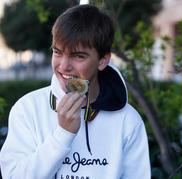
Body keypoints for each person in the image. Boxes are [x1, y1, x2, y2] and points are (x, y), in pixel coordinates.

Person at [0, 4, 151, 179]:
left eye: (78, 56)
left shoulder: (128, 120)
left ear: (102, 61)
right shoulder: (28, 108)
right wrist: (63, 134)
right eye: (57, 52)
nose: (64, 66)